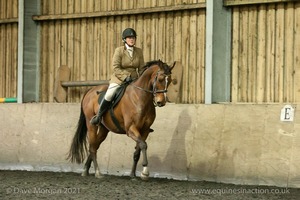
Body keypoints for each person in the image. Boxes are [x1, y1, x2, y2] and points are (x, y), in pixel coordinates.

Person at [90, 28, 145, 125]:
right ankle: (99, 115)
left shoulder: (139, 51)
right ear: (124, 40)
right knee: (110, 94)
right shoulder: (119, 51)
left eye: (133, 38)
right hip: (119, 79)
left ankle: (144, 122)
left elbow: (141, 68)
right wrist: (124, 77)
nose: (131, 39)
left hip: (134, 79)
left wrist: (141, 79)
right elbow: (115, 67)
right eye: (129, 38)